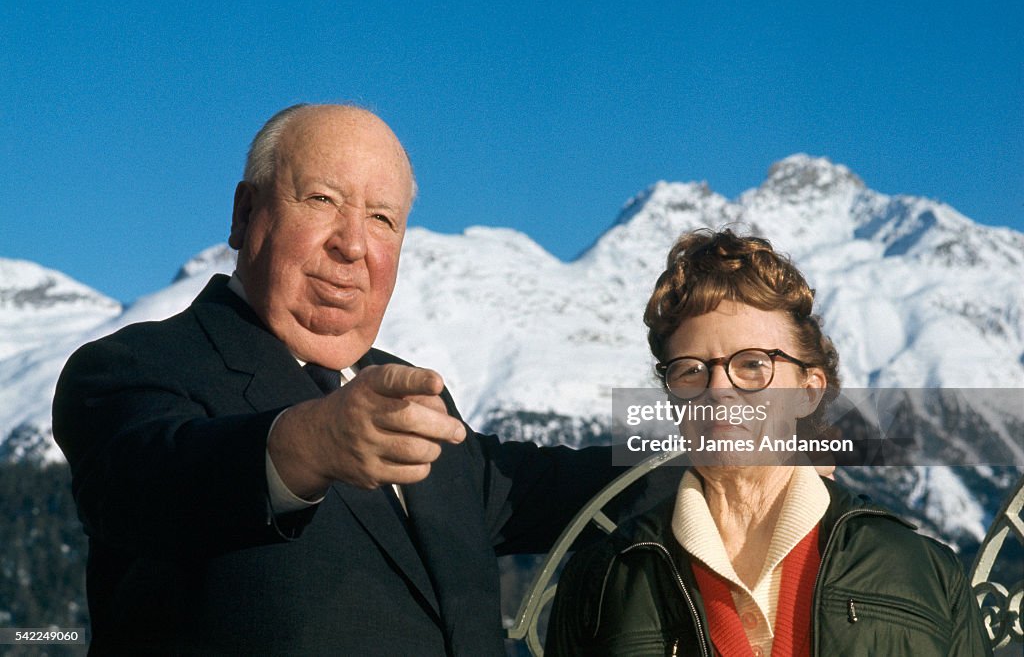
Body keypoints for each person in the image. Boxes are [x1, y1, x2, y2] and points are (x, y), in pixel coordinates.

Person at [52, 104, 622, 655]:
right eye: (322, 200)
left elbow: (571, 486)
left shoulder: (415, 398)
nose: (352, 245)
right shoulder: (132, 366)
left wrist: (701, 417)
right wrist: (306, 445)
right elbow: (150, 484)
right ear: (245, 214)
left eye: (382, 218)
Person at [546, 229, 991, 656]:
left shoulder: (921, 570)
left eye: (753, 364)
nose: (718, 388)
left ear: (808, 390)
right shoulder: (605, 579)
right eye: (689, 369)